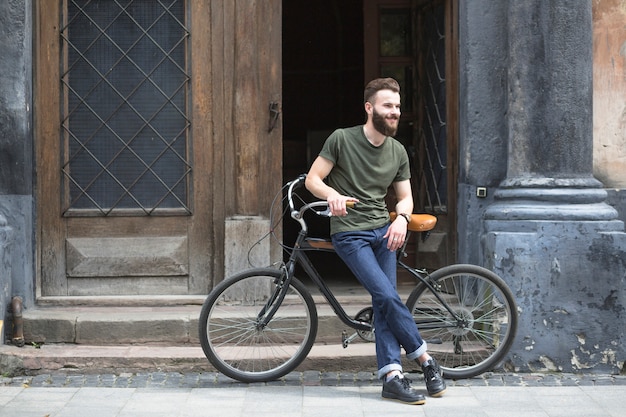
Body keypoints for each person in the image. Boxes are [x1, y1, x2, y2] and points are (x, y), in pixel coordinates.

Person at [305, 78, 446, 405]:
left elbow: (405, 198)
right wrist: (333, 195)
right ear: (369, 108)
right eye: (388, 106)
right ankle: (426, 360)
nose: (395, 112)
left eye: (397, 106)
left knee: (385, 301)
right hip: (350, 233)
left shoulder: (397, 151)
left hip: (384, 231)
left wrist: (402, 219)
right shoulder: (341, 139)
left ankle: (392, 377)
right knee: (385, 293)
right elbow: (313, 180)